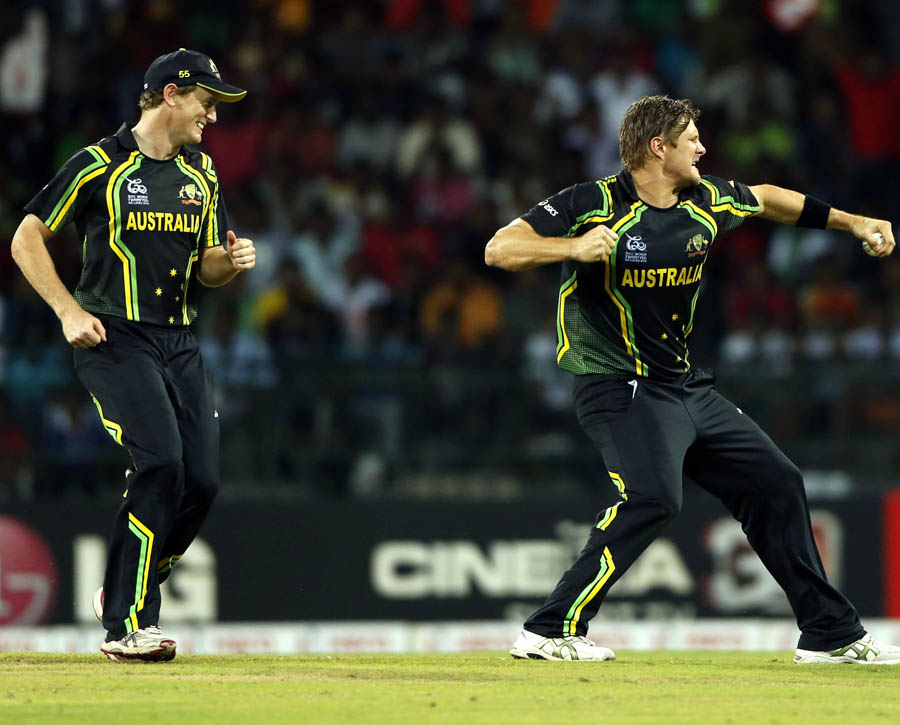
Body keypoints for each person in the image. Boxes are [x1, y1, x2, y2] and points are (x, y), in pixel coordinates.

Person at [485, 95, 900, 665]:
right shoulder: (592, 203)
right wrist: (573, 246)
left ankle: (830, 635)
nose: (703, 147)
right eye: (692, 138)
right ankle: (549, 630)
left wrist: (854, 222)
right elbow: (500, 248)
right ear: (659, 148)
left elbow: (769, 199)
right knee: (653, 496)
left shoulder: (706, 201)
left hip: (684, 387)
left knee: (777, 482)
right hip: (616, 384)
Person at [11, 49, 255, 662]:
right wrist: (68, 310)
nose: (213, 117)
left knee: (202, 479)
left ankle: (134, 584)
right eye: (207, 101)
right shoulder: (100, 165)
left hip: (179, 340)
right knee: (161, 467)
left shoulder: (202, 172)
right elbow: (26, 237)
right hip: (114, 339)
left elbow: (208, 267)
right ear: (170, 94)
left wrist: (232, 262)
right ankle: (126, 621)